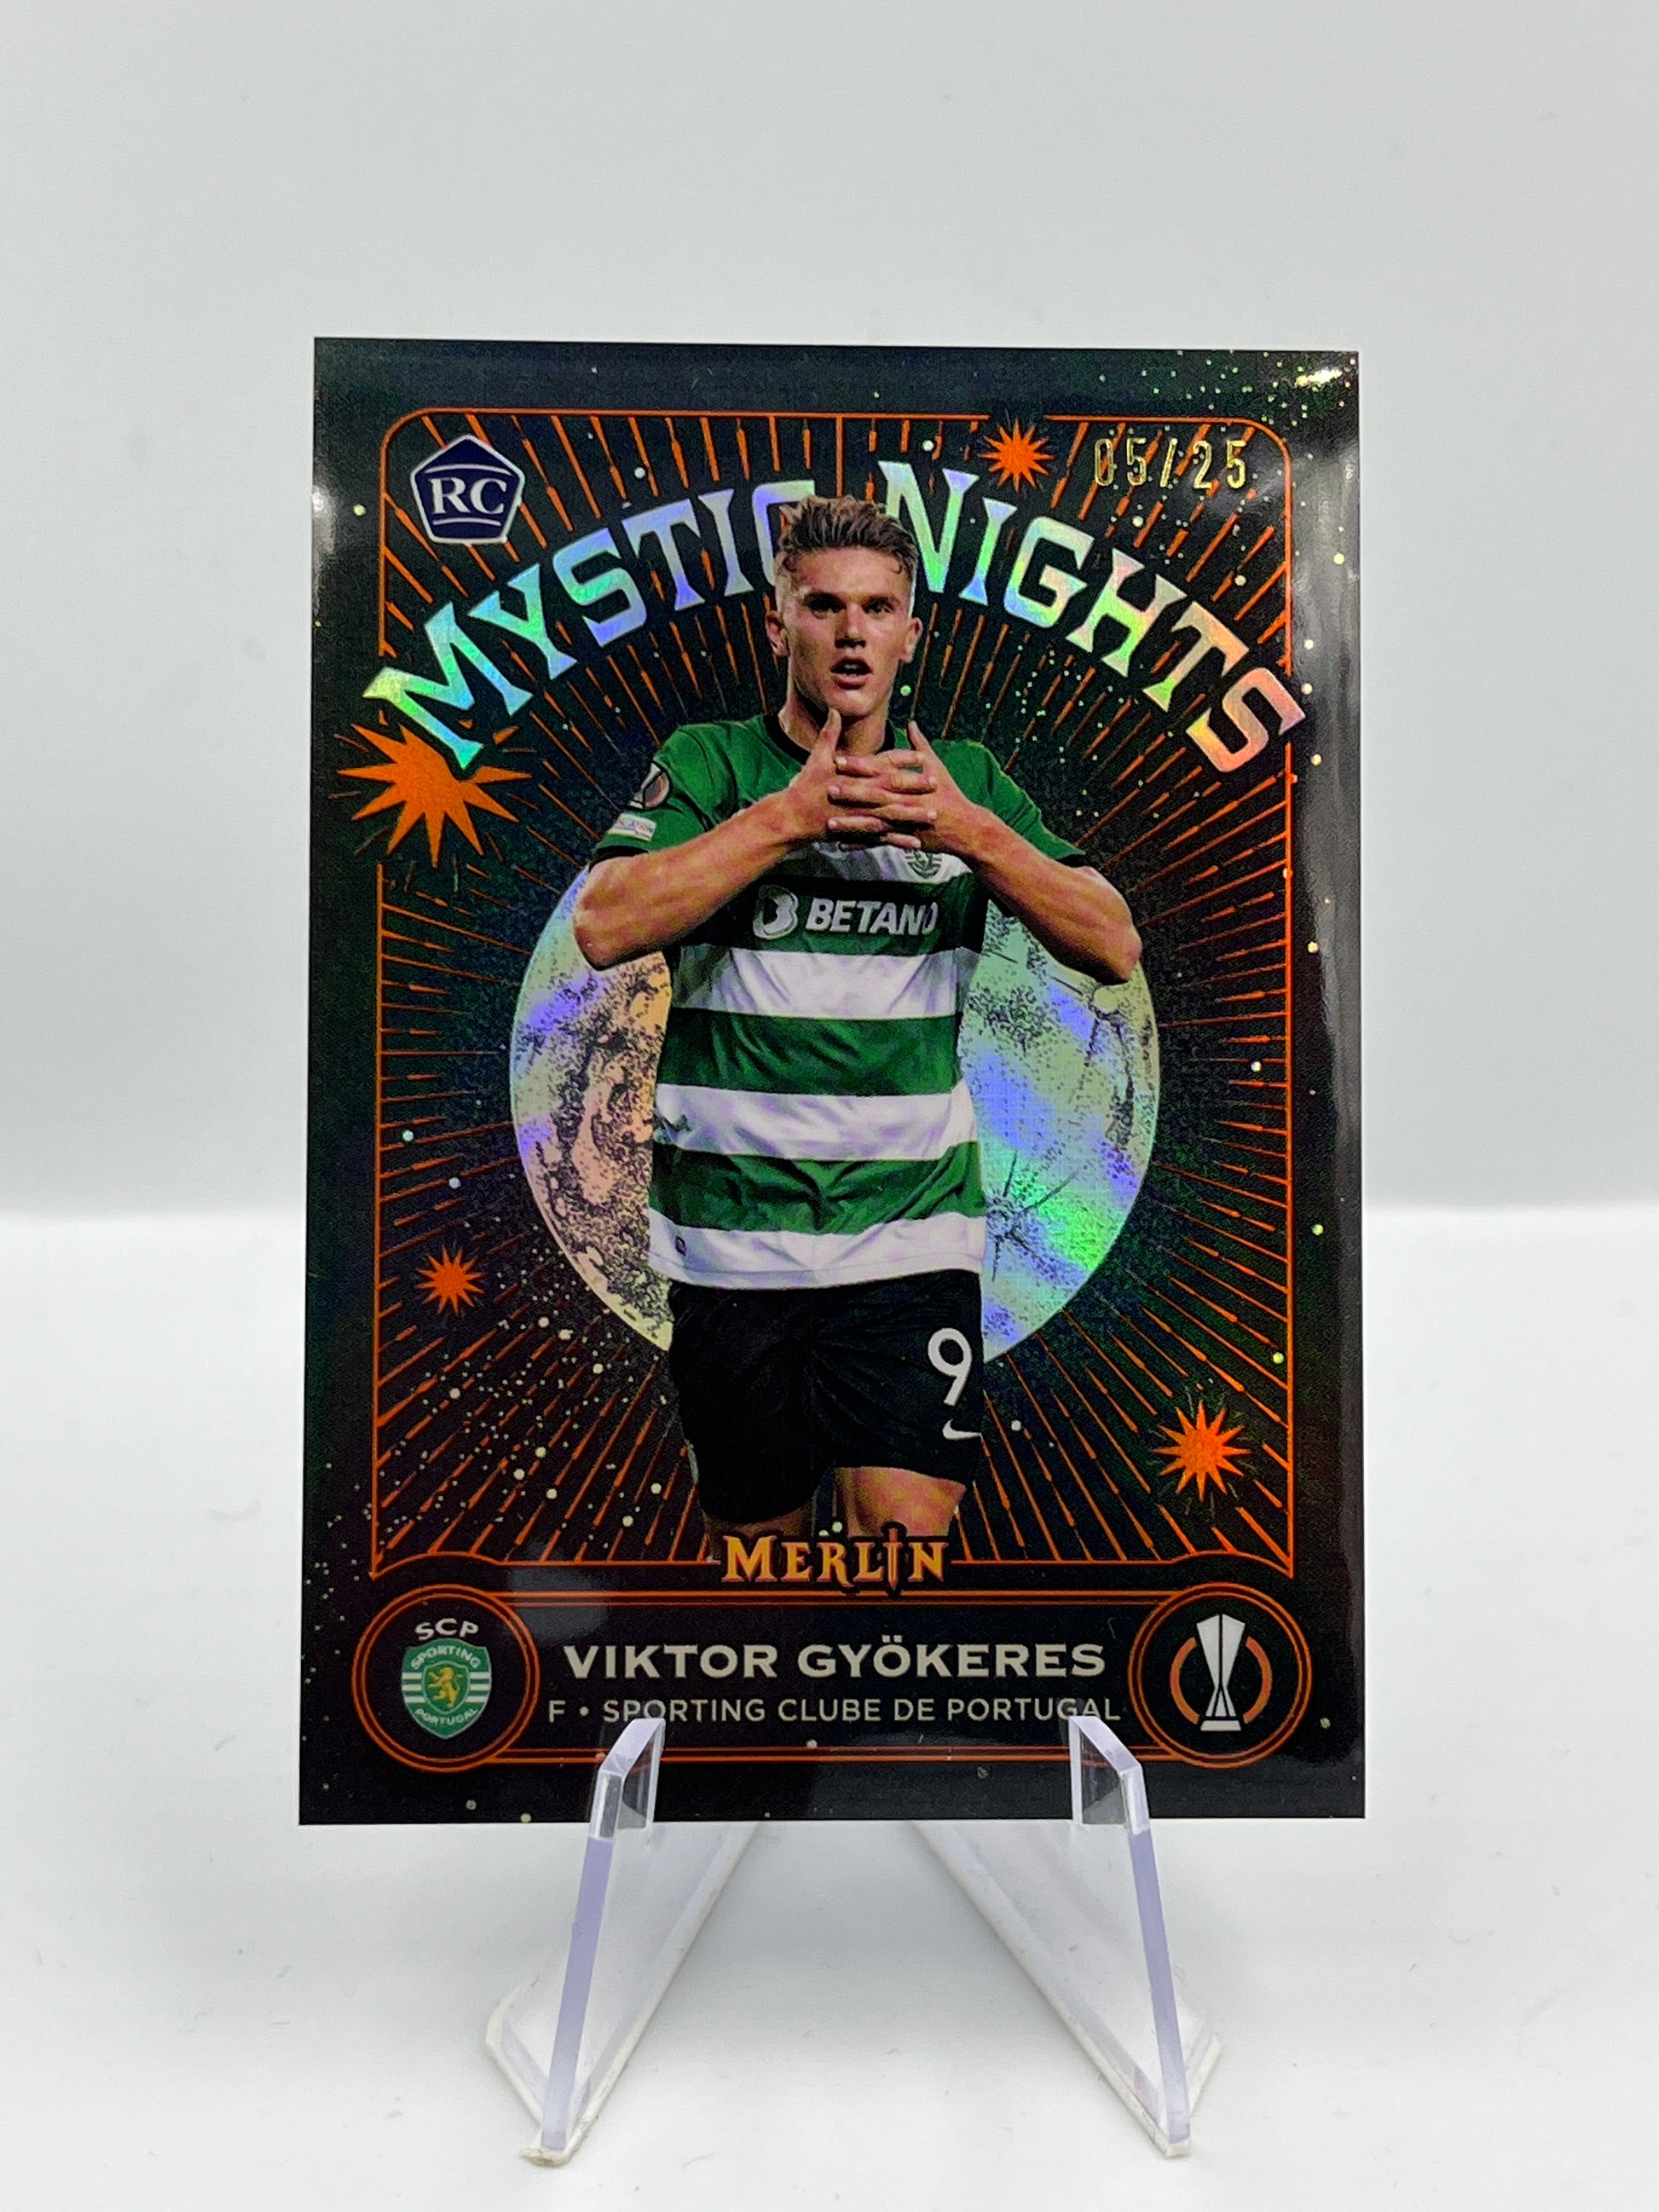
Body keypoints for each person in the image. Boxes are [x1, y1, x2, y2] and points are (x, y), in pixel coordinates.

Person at [573, 496, 1141, 1549]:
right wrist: (784, 820)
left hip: (908, 1239)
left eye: (876, 608)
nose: (850, 632)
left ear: (908, 634)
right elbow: (604, 926)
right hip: (732, 1247)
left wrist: (972, 835)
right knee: (765, 1564)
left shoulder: (961, 783)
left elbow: (1111, 943)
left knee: (898, 1549)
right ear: (776, 624)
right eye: (823, 605)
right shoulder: (711, 766)